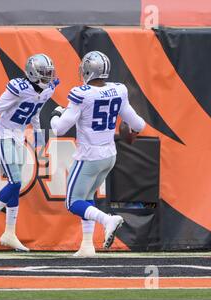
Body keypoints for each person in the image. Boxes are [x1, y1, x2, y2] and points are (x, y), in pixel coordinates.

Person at [50, 51, 145, 257]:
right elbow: (138, 124)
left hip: (89, 156)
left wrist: (55, 114)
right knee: (86, 197)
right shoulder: (118, 90)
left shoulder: (82, 93)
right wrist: (132, 134)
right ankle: (87, 245)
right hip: (109, 156)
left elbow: (59, 130)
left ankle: (107, 220)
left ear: (87, 70)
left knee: (73, 202)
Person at [0, 53, 58, 251]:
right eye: (44, 74)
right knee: (15, 181)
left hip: (19, 135)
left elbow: (36, 111)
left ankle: (9, 233)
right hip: (3, 133)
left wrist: (38, 133)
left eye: (49, 73)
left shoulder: (47, 90)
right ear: (32, 74)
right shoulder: (18, 88)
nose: (48, 78)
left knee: (15, 184)